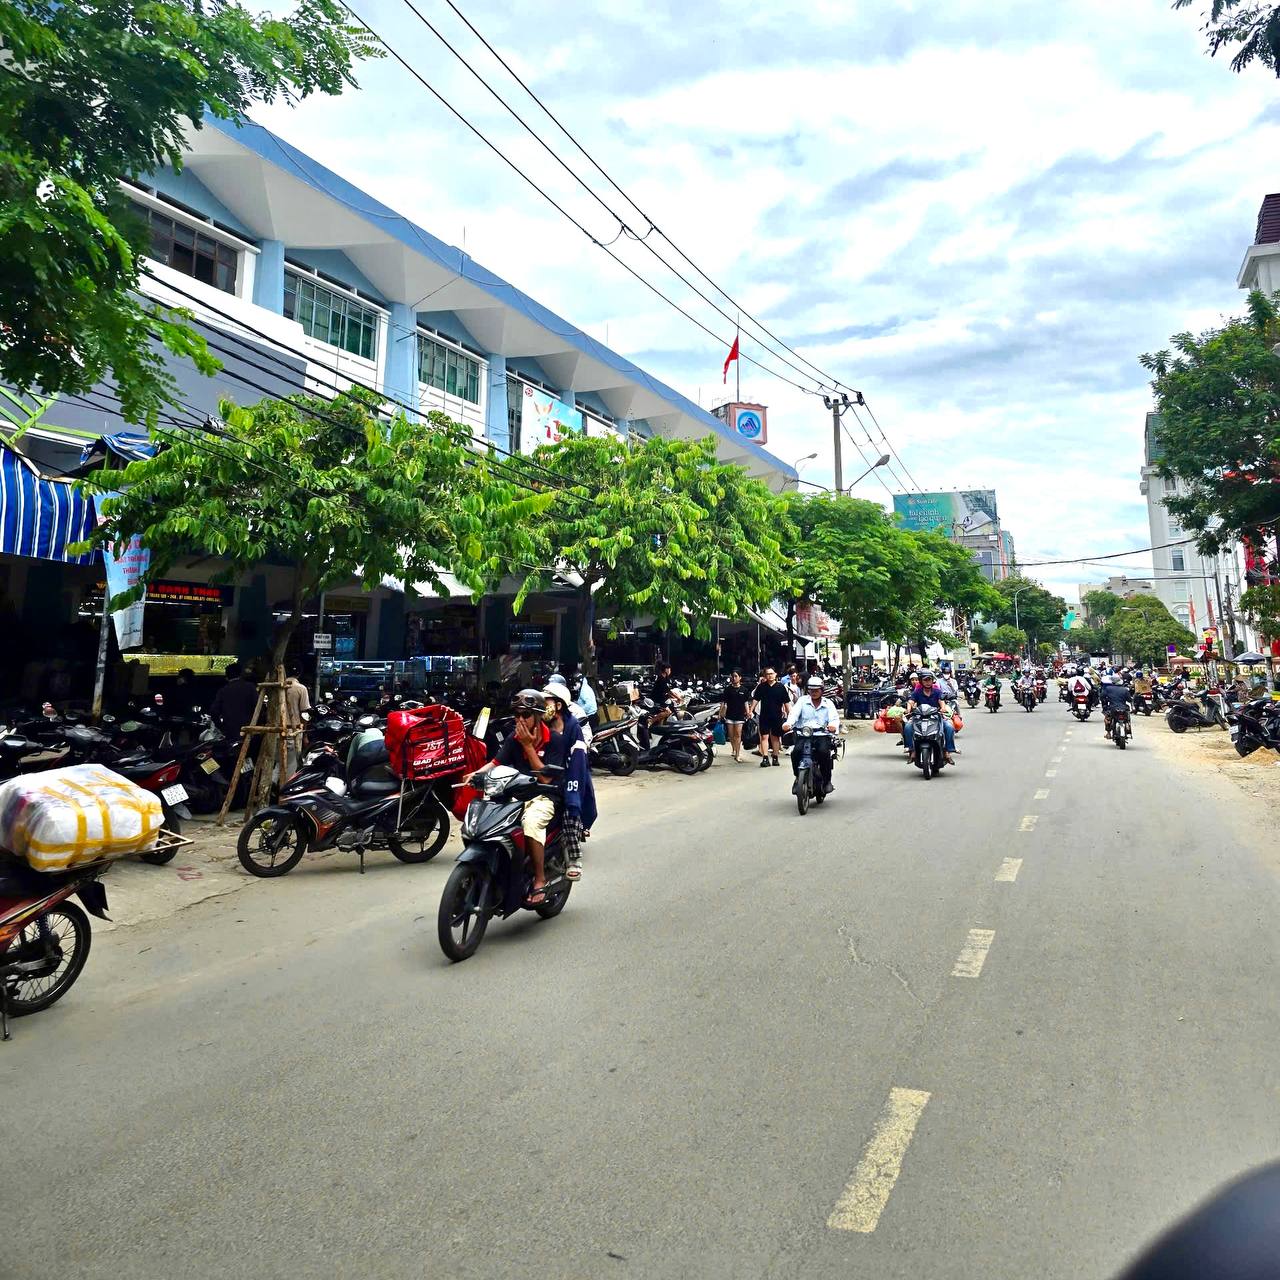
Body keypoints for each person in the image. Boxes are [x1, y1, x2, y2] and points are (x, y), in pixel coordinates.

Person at [465, 688, 565, 904]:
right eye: (517, 715)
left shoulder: (554, 739)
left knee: (530, 824)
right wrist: (475, 774)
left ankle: (539, 878)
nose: (520, 720)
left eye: (526, 715)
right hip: (515, 793)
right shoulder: (513, 737)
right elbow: (496, 763)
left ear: (538, 716)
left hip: (544, 796)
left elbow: (546, 778)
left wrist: (528, 746)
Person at [542, 682, 596, 882]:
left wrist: (572, 792)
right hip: (543, 779)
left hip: (570, 778)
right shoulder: (540, 724)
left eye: (546, 701)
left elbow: (577, 765)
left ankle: (573, 858)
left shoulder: (573, 727)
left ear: (558, 705)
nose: (542, 705)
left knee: (570, 814)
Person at [785, 675, 840, 794]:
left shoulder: (828, 703)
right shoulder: (802, 701)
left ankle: (826, 781)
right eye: (811, 690)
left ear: (822, 690)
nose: (814, 692)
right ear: (808, 690)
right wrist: (788, 724)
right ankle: (797, 777)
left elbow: (834, 718)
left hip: (822, 735)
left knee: (823, 753)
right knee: (796, 753)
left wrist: (832, 726)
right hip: (803, 735)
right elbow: (793, 714)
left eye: (816, 690)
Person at [903, 671, 956, 766]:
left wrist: (943, 708)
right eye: (925, 680)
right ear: (921, 681)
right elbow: (910, 701)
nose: (927, 682)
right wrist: (908, 709)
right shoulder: (917, 692)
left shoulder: (937, 691)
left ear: (932, 681)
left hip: (936, 716)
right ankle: (912, 750)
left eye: (929, 680)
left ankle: (947, 751)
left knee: (949, 727)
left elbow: (941, 701)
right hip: (919, 717)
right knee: (907, 727)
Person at [750, 667, 791, 767]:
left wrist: (790, 716)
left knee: (775, 737)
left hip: (777, 716)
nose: (770, 676)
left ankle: (775, 757)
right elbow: (755, 700)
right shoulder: (761, 687)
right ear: (765, 676)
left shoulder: (781, 687)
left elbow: (787, 703)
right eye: (768, 674)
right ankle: (765, 758)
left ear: (775, 674)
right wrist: (750, 711)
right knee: (764, 736)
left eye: (771, 673)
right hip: (764, 715)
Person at [210, 663, 259, 744]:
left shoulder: (223, 691)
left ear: (226, 676)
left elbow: (214, 711)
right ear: (240, 674)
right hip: (250, 729)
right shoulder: (250, 687)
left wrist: (222, 727)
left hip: (231, 732)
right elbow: (258, 707)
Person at [719, 670, 750, 762]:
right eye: (733, 676)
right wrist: (720, 714)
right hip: (729, 715)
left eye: (736, 676)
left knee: (738, 734)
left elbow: (746, 702)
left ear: (740, 677)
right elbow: (723, 702)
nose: (734, 678)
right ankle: (733, 748)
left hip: (740, 716)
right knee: (731, 735)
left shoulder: (744, 690)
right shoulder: (728, 689)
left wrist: (748, 712)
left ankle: (737, 754)